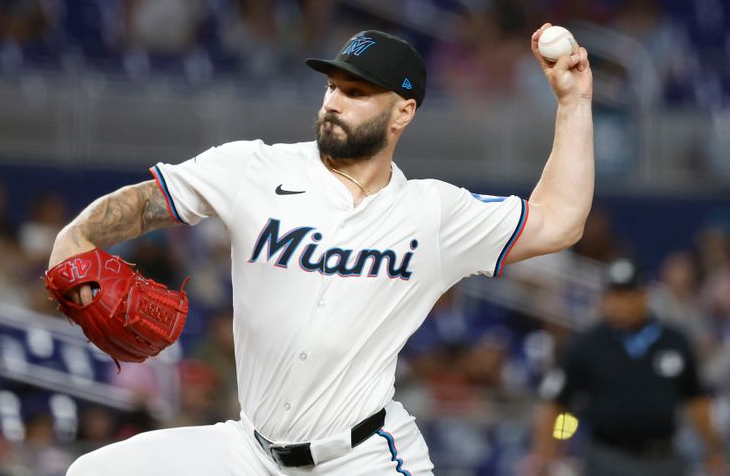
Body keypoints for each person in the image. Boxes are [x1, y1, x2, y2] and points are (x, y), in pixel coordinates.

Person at [50, 24, 593, 475]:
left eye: (356, 93)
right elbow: (148, 202)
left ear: (403, 112)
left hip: (362, 459)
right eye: (333, 86)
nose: (334, 101)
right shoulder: (255, 169)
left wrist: (574, 102)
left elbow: (559, 222)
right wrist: (72, 240)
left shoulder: (434, 214)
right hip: (249, 451)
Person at [530, 258, 727, 476]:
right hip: (606, 458)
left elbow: (696, 401)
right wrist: (549, 452)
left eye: (626, 294)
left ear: (644, 295)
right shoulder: (587, 345)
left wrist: (713, 450)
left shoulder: (674, 342)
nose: (618, 303)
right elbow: (558, 406)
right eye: (613, 294)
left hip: (663, 458)